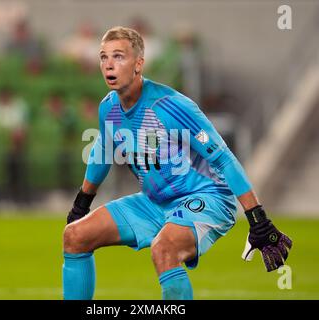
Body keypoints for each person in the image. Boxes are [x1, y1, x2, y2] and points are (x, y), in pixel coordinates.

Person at [62, 26, 292, 300]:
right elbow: (102, 150)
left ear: (138, 64)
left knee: (164, 249)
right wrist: (81, 204)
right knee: (75, 236)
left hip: (206, 198)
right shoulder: (108, 107)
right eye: (103, 57)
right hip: (153, 202)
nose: (109, 64)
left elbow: (223, 158)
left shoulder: (171, 106)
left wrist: (258, 219)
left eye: (119, 57)